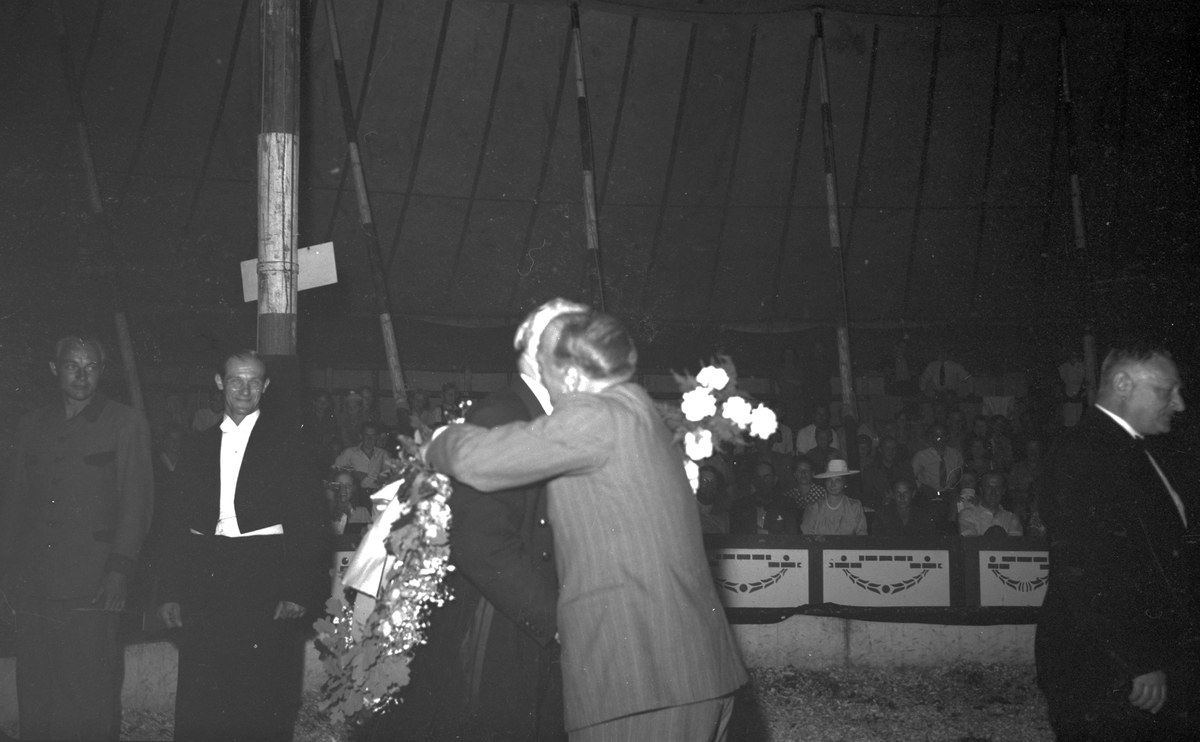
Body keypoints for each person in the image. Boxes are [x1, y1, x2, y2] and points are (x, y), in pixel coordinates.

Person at [426, 308, 746, 742]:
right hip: (689, 674)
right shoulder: (644, 413)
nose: (546, 390)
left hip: (644, 686)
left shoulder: (597, 416)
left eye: (547, 375)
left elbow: (475, 461)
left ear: (574, 377)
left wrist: (439, 440)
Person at [372, 299, 577, 742]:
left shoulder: (539, 415)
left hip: (527, 617)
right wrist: (557, 619)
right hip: (503, 622)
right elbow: (481, 541)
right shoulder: (503, 416)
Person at [156, 350, 329, 742]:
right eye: (236, 380)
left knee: (262, 690)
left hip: (263, 572)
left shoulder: (289, 442)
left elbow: (310, 524)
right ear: (220, 383)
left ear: (265, 387)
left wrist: (298, 589)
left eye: (254, 381)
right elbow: (173, 524)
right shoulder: (197, 445)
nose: (244, 389)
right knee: (203, 688)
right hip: (205, 574)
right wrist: (169, 591)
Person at [1037, 344, 1196, 741]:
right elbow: (1087, 570)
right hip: (1111, 671)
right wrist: (1139, 660)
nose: (1179, 404)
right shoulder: (1081, 455)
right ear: (1124, 384)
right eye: (1168, 390)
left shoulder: (1140, 450)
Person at [1, 337, 154, 741]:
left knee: (88, 693)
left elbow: (136, 504)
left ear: (102, 372)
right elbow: (13, 504)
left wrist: (119, 571)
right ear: (55, 369)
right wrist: (6, 572)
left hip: (92, 583)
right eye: (72, 366)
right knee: (35, 689)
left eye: (91, 367)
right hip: (33, 584)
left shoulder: (125, 422)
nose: (82, 376)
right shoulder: (31, 424)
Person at [911, 423, 963, 528]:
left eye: (942, 435)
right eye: (936, 436)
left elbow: (959, 476)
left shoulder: (955, 455)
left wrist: (954, 489)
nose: (939, 439)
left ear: (947, 437)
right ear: (931, 437)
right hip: (928, 494)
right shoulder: (921, 456)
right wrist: (922, 486)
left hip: (948, 495)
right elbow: (910, 477)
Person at [729, 462, 799, 535]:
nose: (762, 481)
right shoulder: (740, 505)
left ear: (775, 479)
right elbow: (735, 535)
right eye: (758, 477)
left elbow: (792, 535)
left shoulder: (787, 504)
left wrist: (765, 532)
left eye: (767, 477)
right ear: (753, 480)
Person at [801, 460, 868, 536]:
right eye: (830, 479)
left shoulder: (855, 507)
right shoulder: (813, 508)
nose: (833, 484)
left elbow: (862, 536)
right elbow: (806, 537)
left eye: (837, 480)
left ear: (845, 483)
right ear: (825, 482)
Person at [333, 421, 396, 491]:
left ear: (377, 437)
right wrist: (353, 474)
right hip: (356, 492)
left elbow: (388, 473)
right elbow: (334, 469)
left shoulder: (383, 453)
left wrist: (383, 477)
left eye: (373, 436)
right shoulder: (350, 452)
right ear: (361, 436)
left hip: (376, 492)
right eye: (366, 435)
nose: (369, 439)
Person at [958, 472, 1023, 537]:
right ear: (981, 489)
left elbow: (1015, 540)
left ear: (1003, 491)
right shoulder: (967, 515)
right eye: (989, 487)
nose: (993, 492)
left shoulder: (1012, 519)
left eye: (997, 488)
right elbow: (970, 537)